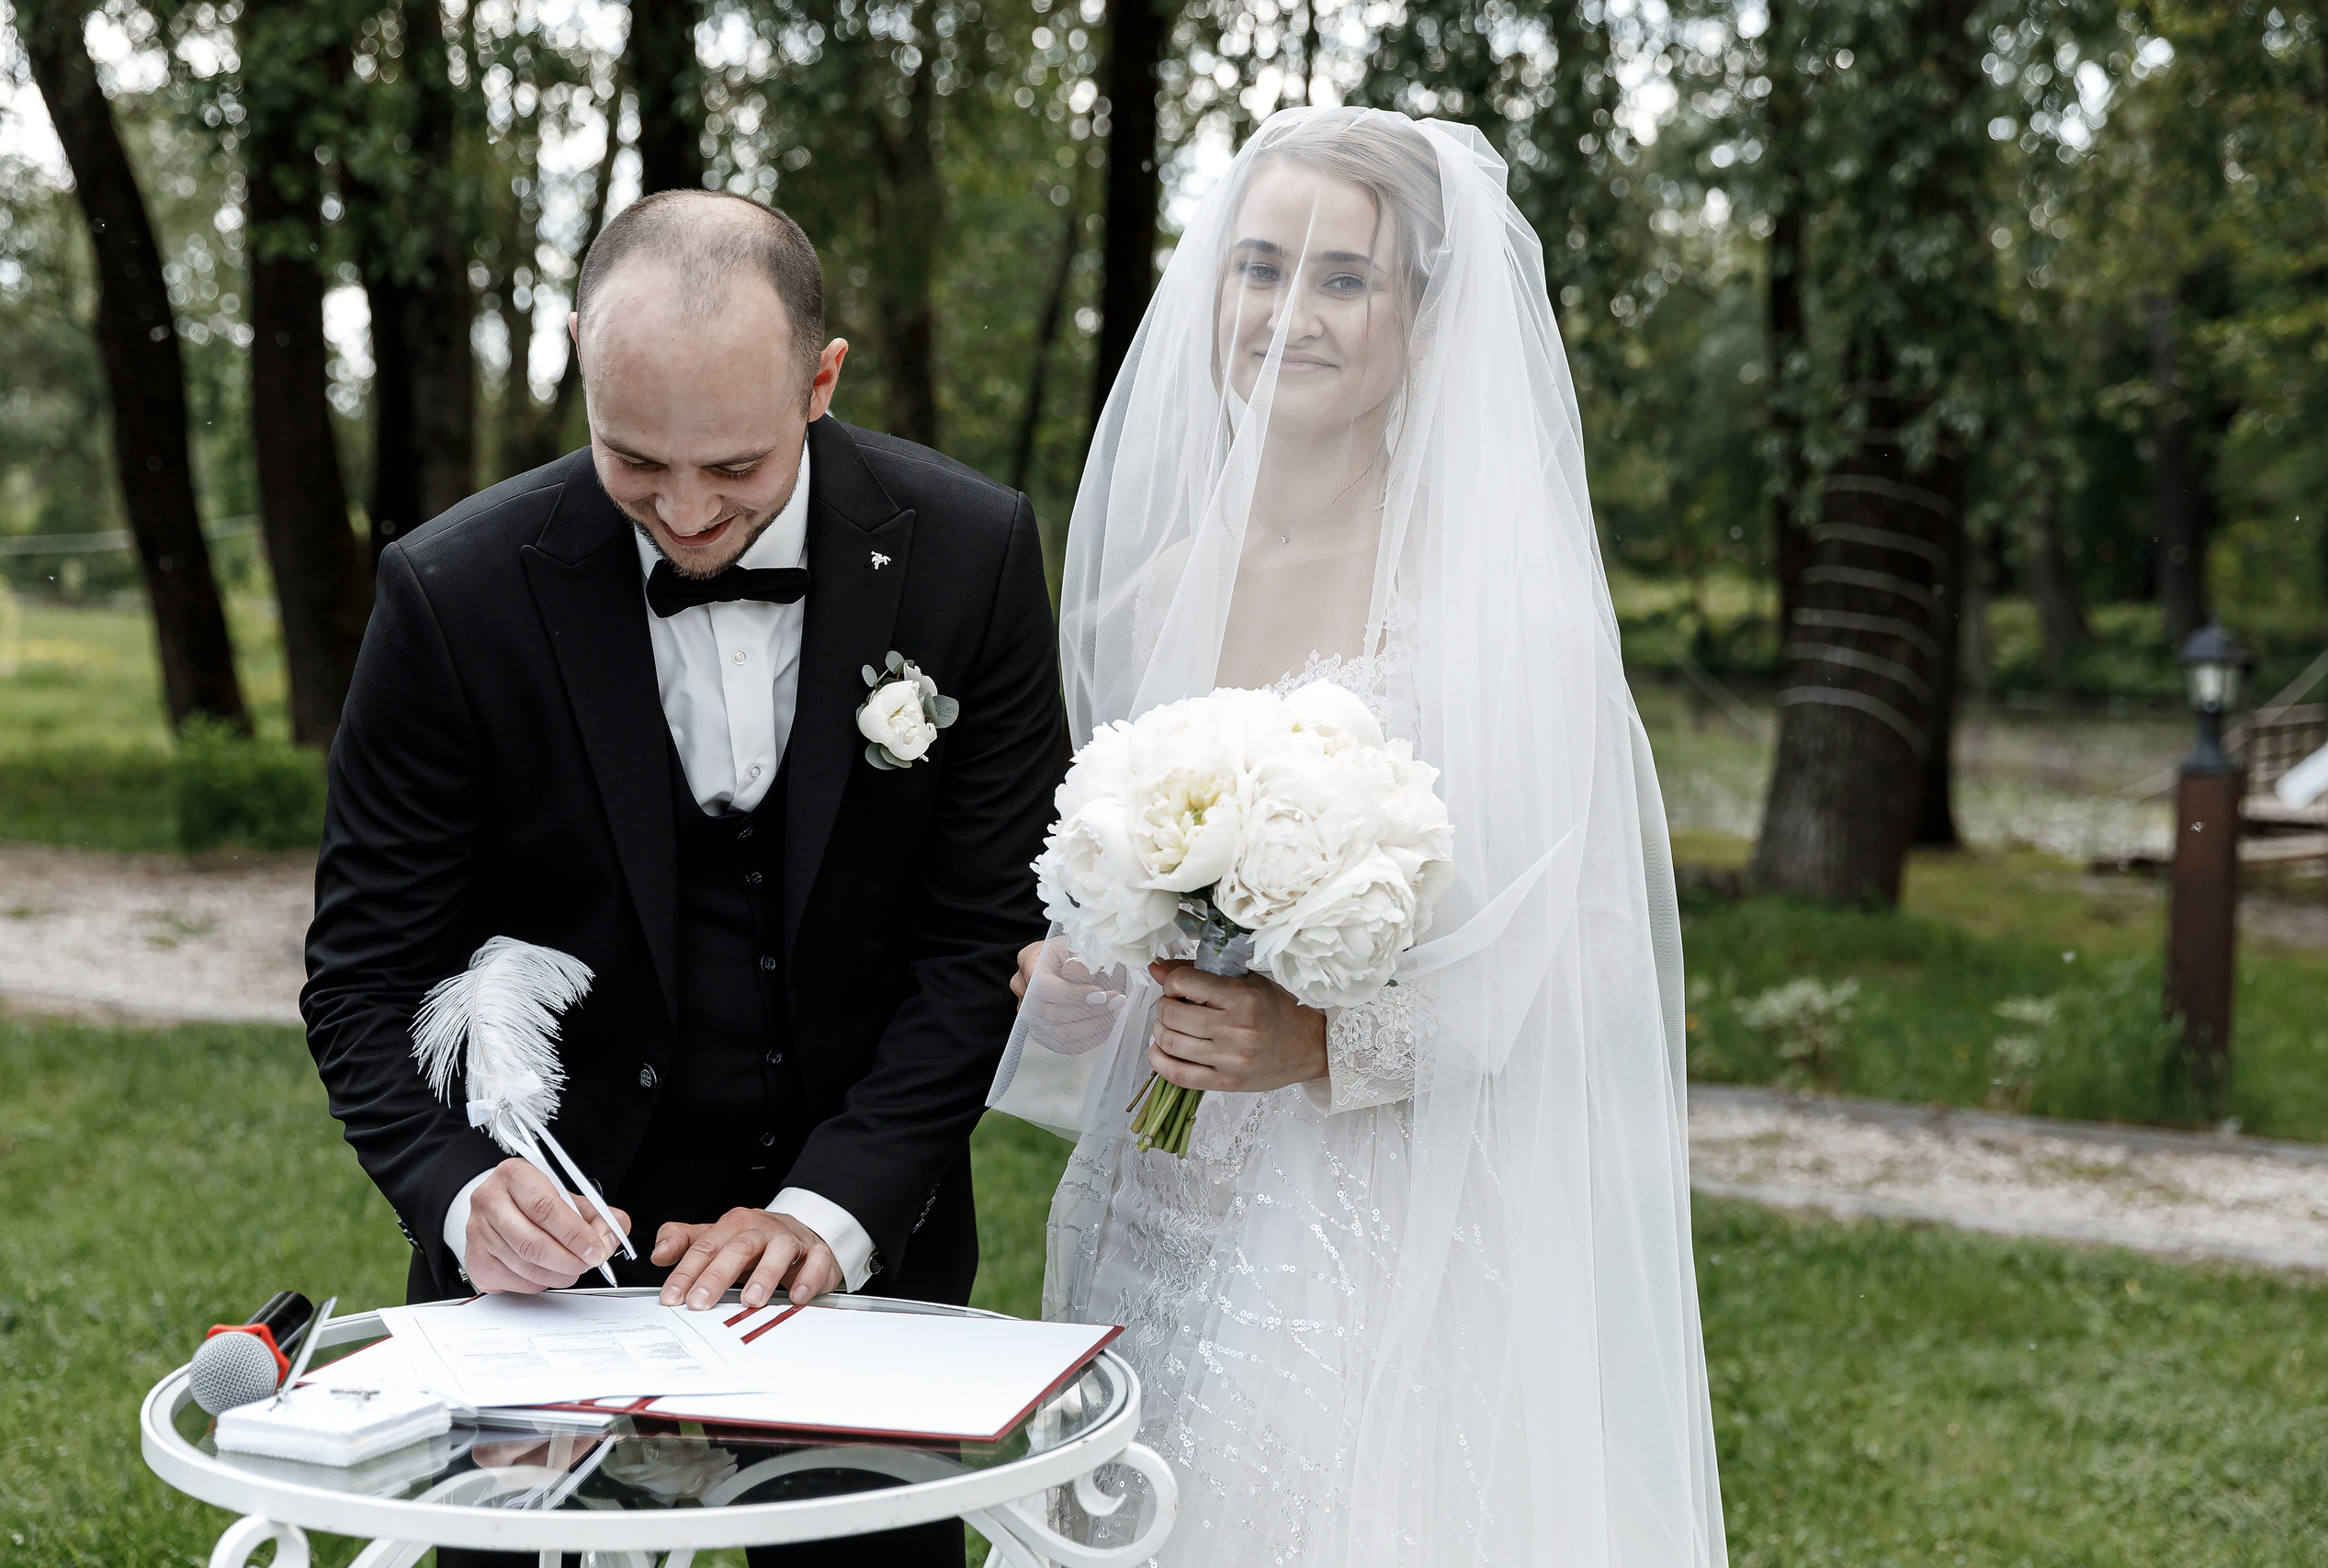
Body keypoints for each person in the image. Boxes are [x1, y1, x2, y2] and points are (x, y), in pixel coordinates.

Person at [1000, 107, 1727, 1564]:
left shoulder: (1493, 606)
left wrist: (1327, 1047)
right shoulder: (1155, 586)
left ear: (1424, 319)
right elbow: (1123, 883)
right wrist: (1078, 972)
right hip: (1159, 1186)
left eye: (1347, 279)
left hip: (1384, 1211)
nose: (1290, 314)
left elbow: (1580, 958)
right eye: (1261, 267)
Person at [301, 190, 1064, 1568]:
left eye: (736, 464)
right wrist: (467, 1192)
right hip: (548, 1284)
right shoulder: (451, 591)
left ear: (820, 381)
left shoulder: (971, 553)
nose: (688, 510)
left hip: (862, 1262)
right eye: (634, 459)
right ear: (583, 368)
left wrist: (834, 1211)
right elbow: (365, 977)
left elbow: (984, 942)